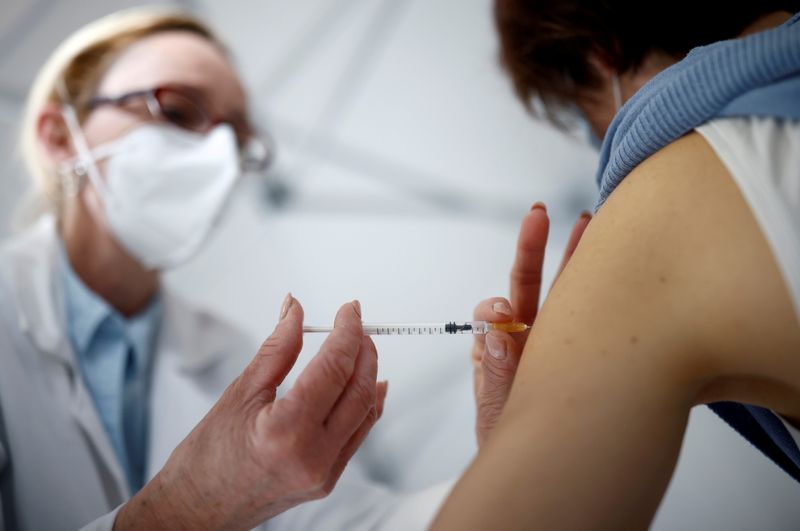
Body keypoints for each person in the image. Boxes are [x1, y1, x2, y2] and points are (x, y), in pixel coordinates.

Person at [0, 7, 574, 530]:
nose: (218, 160)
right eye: (176, 110)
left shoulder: (225, 358)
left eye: (240, 139)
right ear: (59, 137)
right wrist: (188, 507)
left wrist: (507, 461)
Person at [430, 1, 800, 529]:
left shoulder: (652, 222)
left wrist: (513, 448)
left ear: (601, 54)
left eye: (587, 120)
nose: (600, 144)